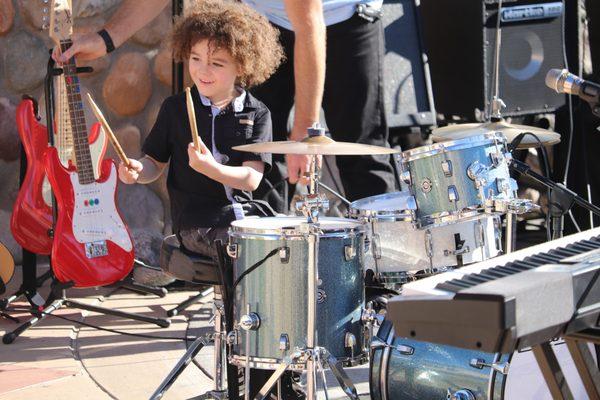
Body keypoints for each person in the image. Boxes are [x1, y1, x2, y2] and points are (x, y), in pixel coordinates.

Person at [54, 0, 397, 214]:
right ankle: (272, 276)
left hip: (345, 18)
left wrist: (305, 132)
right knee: (258, 152)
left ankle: (388, 276)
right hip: (266, 23)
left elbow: (308, 23)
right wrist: (106, 38)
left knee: (361, 152)